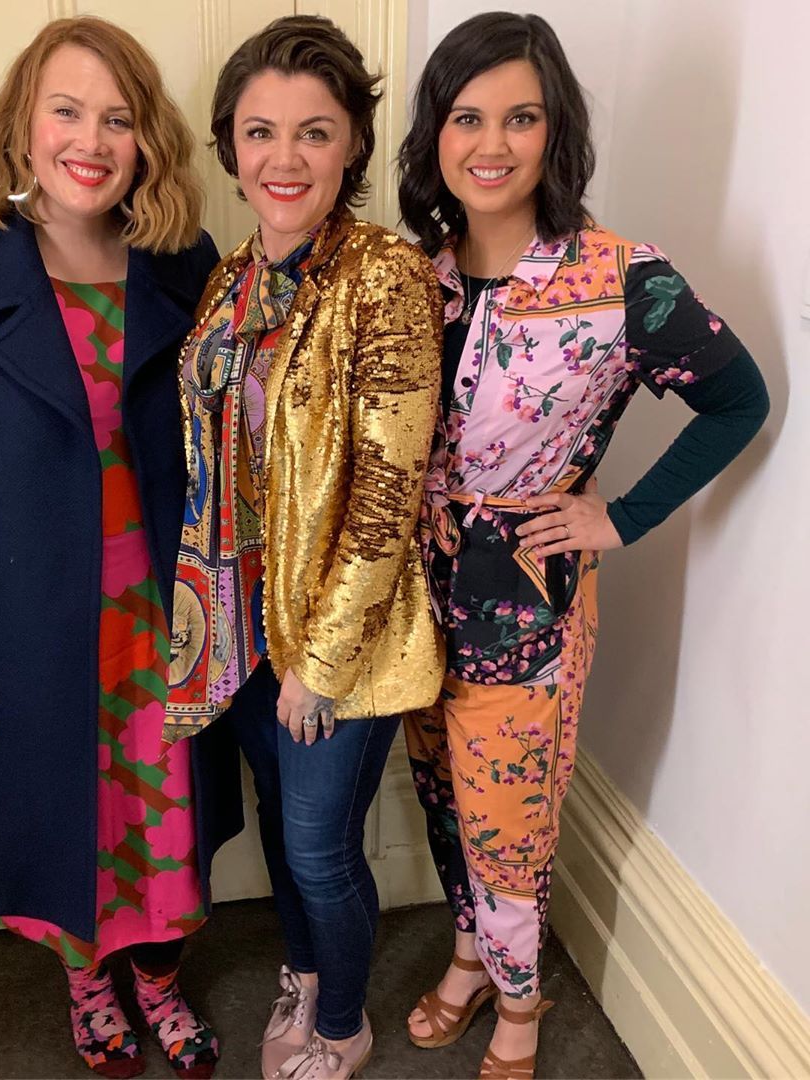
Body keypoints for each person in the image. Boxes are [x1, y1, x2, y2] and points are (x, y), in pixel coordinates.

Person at [0, 16, 243, 1078]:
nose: (91, 139)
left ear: (147, 141)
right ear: (22, 127)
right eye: (66, 111)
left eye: (118, 118)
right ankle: (88, 985)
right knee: (67, 827)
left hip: (167, 628)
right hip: (24, 633)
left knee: (164, 829)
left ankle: (157, 982)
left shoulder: (185, 264)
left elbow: (234, 447)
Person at [396, 12, 770, 1080]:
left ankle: (520, 1007)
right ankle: (469, 958)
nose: (492, 144)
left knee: (508, 823)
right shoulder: (414, 279)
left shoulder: (620, 277)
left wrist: (622, 515)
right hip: (413, 603)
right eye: (467, 117)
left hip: (529, 609)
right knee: (440, 796)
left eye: (521, 117)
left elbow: (739, 400)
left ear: (556, 131)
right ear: (435, 135)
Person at [162, 15, 443, 1080]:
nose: (285, 158)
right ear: (230, 146)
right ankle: (309, 973)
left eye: (314, 132)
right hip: (242, 625)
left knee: (322, 848)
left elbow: (386, 493)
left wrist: (319, 665)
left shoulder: (385, 276)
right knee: (284, 829)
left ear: (352, 145)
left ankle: (342, 1025)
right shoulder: (230, 277)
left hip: (340, 638)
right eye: (261, 132)